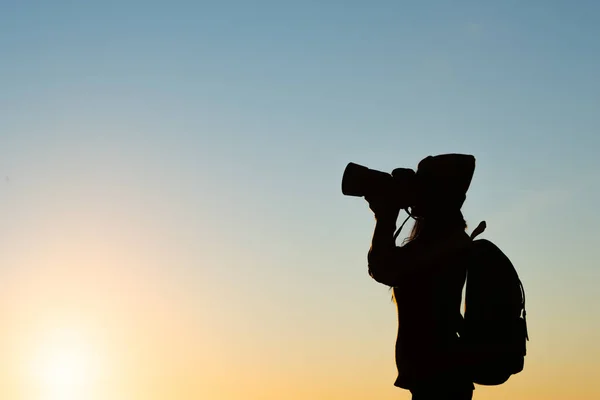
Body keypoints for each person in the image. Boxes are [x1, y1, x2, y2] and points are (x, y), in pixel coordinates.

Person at [365, 154, 476, 400]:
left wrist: (385, 216)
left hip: (438, 380)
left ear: (440, 194)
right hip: (437, 377)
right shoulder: (446, 239)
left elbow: (384, 268)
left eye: (424, 187)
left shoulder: (446, 243)